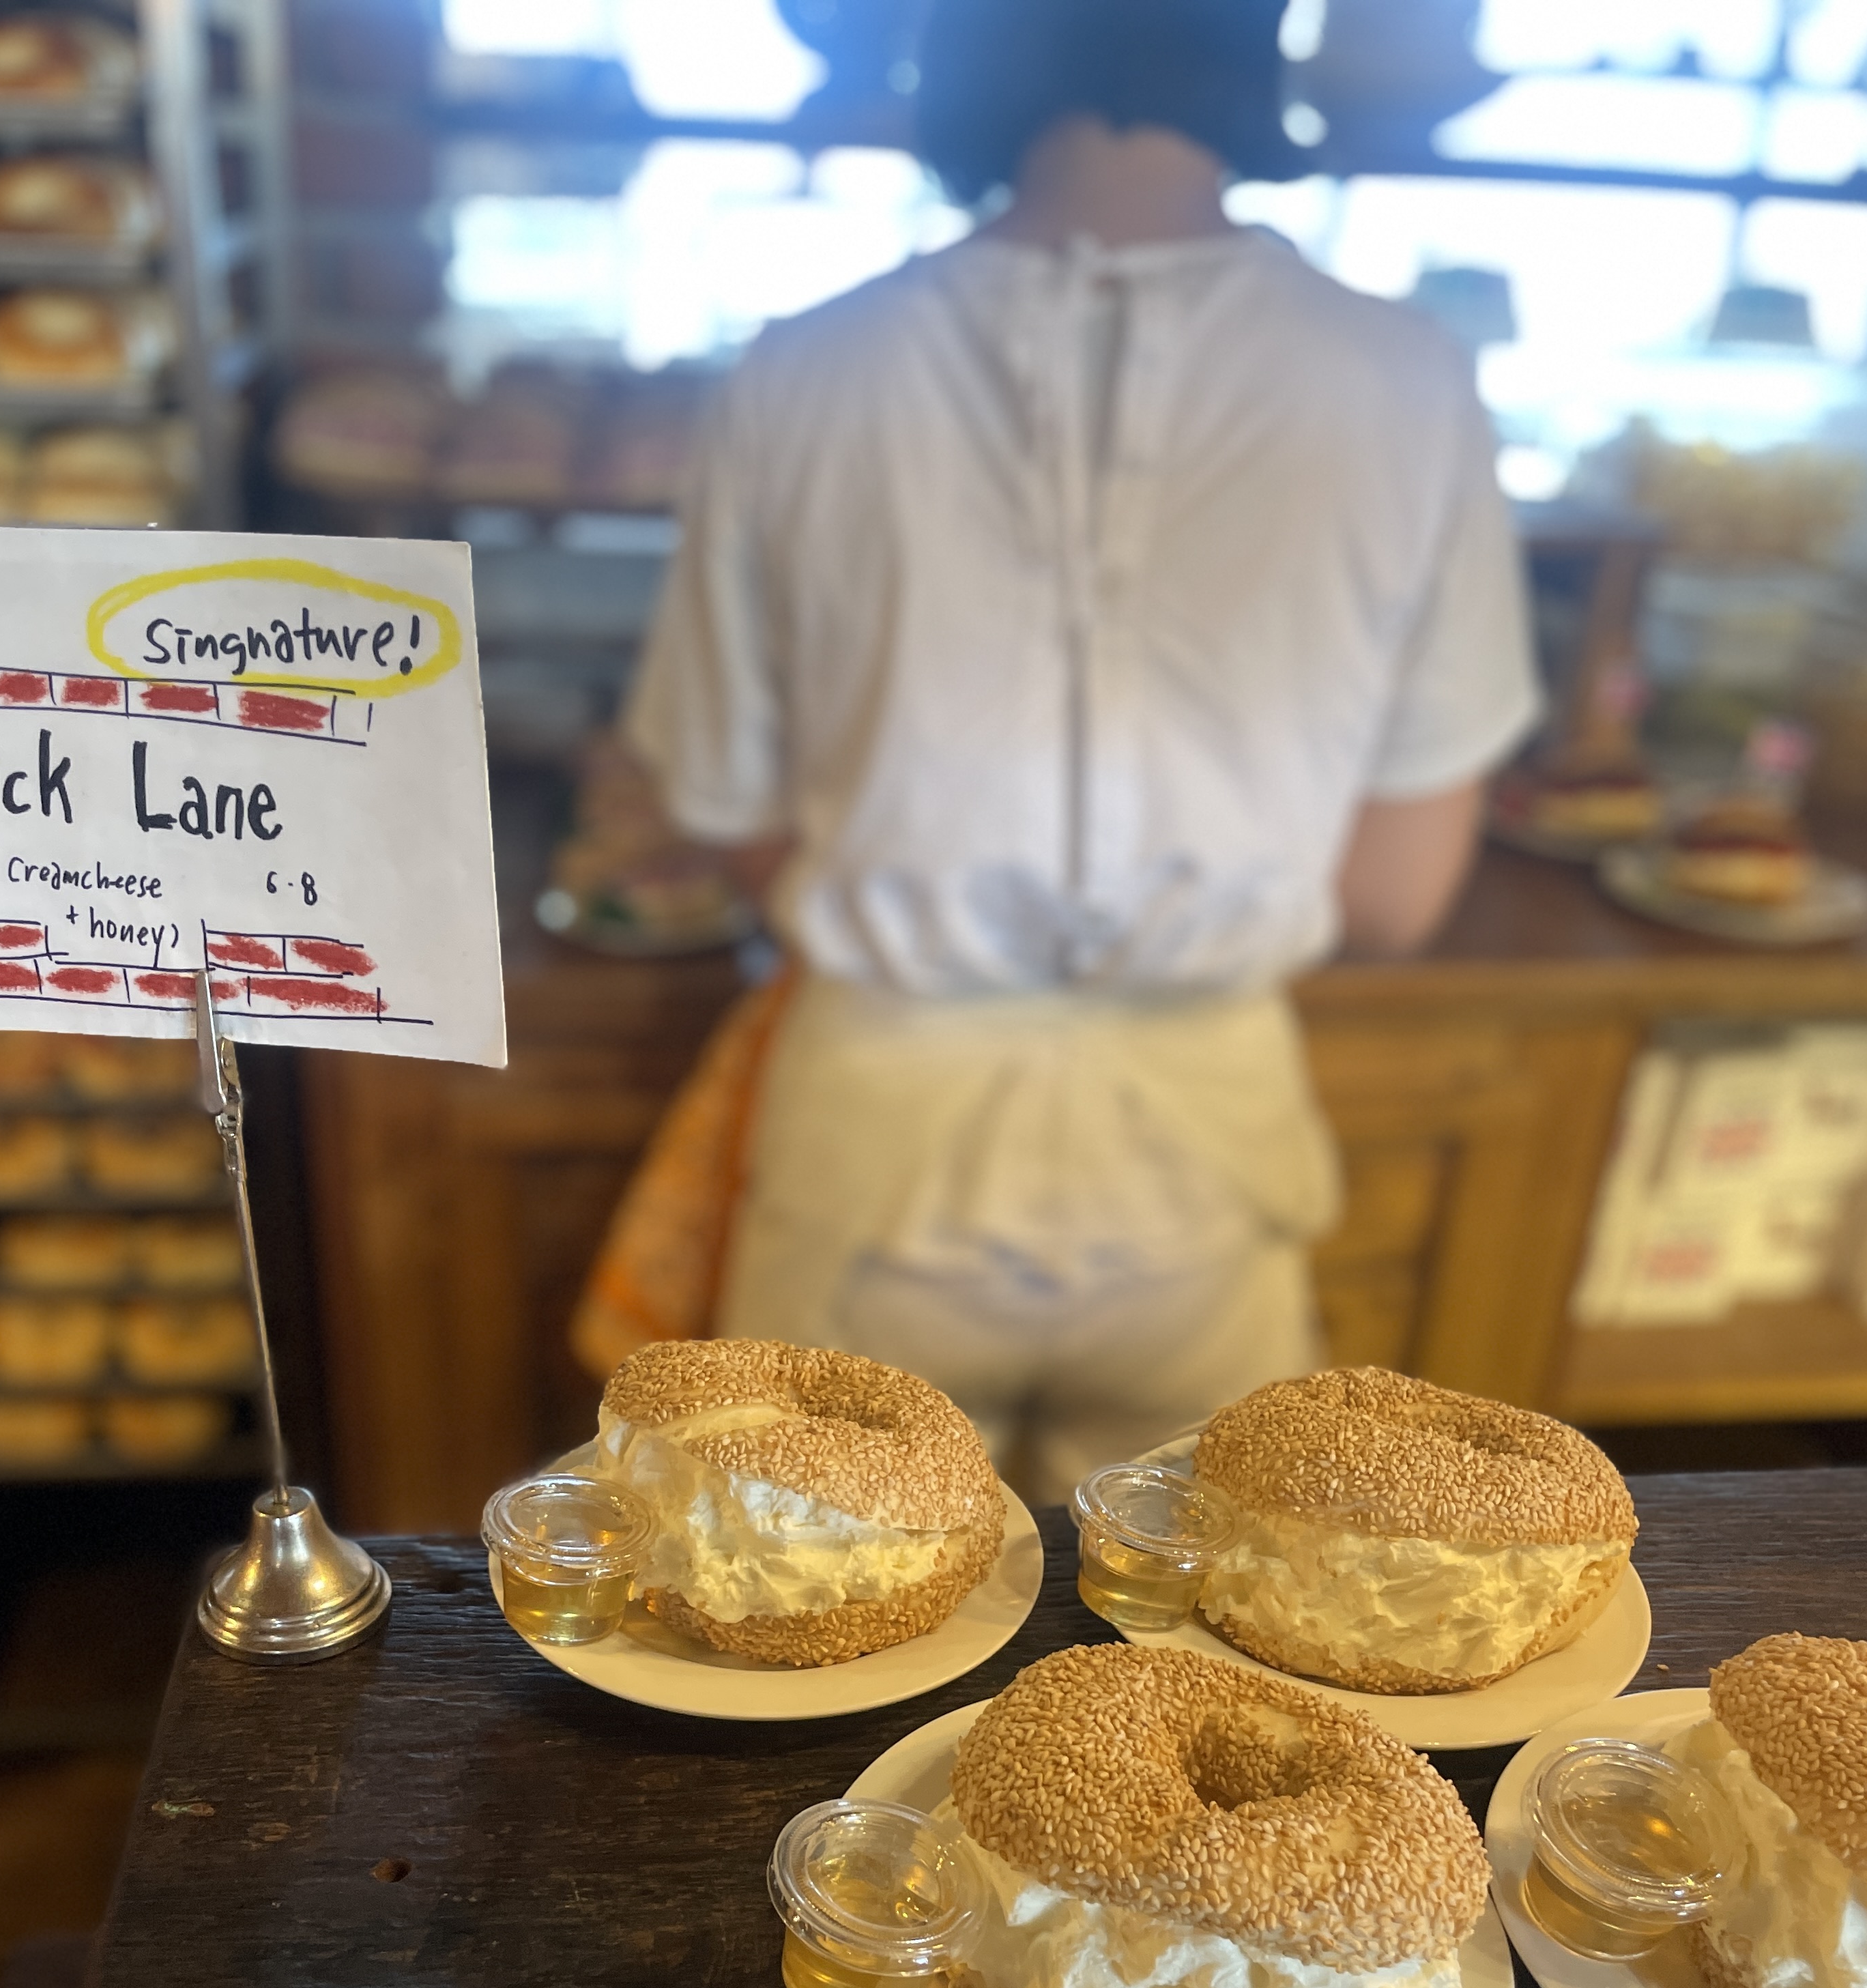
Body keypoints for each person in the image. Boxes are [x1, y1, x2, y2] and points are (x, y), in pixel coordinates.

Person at [612, 0, 1541, 1499]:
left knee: (826, 1607)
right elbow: (1392, 896)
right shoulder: (1410, 378)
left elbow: (729, 802)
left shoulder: (803, 367)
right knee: (1194, 1628)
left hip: (872, 1150)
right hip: (1207, 1165)